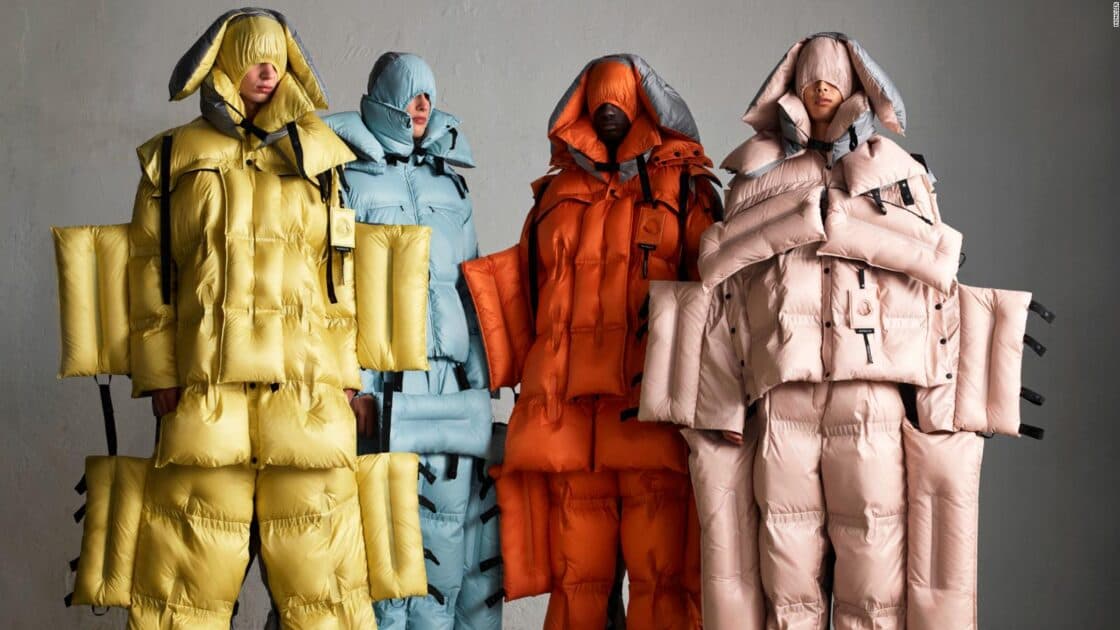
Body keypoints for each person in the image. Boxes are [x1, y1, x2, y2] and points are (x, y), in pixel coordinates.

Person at [639, 32, 1049, 629]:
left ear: (858, 85)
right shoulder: (755, 181)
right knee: (786, 588)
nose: (821, 87)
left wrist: (981, 364)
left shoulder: (901, 175)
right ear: (790, 87)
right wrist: (703, 389)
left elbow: (935, 294)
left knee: (875, 585)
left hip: (871, 404)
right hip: (781, 404)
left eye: (833, 77)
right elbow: (726, 300)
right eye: (810, 76)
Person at [65, 9, 425, 627]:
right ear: (226, 62)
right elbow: (150, 270)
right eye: (254, 57)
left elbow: (337, 281)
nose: (266, 70)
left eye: (276, 59)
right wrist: (158, 375)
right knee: (186, 585)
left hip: (305, 396)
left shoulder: (319, 156)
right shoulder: (174, 157)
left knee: (325, 592)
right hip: (206, 395)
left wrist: (347, 379)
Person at [462, 54, 723, 629]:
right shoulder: (555, 196)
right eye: (597, 100)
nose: (608, 111)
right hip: (570, 425)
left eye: (618, 100)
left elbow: (715, 299)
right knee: (578, 588)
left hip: (654, 421)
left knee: (662, 587)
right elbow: (527, 293)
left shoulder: (685, 188)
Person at [326, 52, 503, 630]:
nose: (422, 105)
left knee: (444, 546)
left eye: (428, 95)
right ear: (383, 99)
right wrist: (348, 384)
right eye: (410, 94)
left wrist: (482, 380)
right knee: (376, 557)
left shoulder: (450, 185)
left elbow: (472, 287)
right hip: (378, 385)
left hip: (446, 385)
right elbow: (332, 290)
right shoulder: (342, 178)